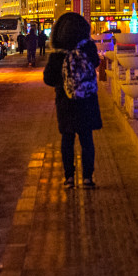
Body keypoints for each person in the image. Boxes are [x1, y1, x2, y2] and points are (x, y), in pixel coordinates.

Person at [43, 12, 101, 189]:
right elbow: (96, 64)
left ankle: (69, 178)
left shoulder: (57, 55)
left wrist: (63, 82)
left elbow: (48, 79)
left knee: (67, 140)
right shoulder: (88, 49)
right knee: (87, 140)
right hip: (87, 102)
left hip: (65, 103)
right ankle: (87, 178)